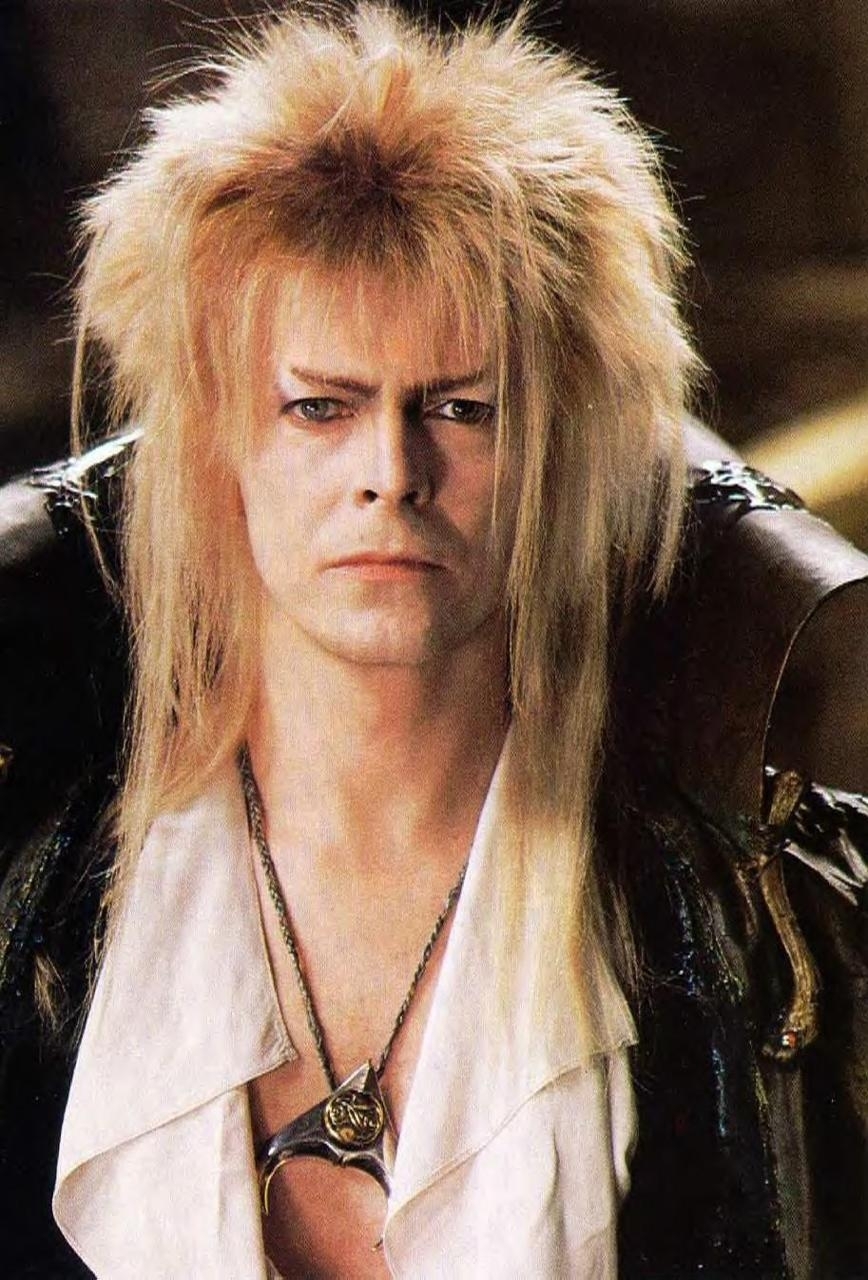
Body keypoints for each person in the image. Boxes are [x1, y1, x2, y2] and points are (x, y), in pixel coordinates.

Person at [0, 3, 865, 1277]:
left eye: (461, 407)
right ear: (215, 442)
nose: (391, 474)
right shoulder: (38, 901)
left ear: (560, 453)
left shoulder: (768, 929)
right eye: (319, 407)